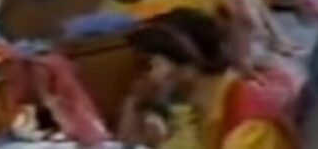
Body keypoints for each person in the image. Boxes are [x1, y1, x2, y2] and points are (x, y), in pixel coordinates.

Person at [121, 9, 298, 149]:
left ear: (188, 67)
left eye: (155, 65)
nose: (150, 77)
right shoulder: (203, 113)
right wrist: (135, 102)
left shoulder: (250, 128)